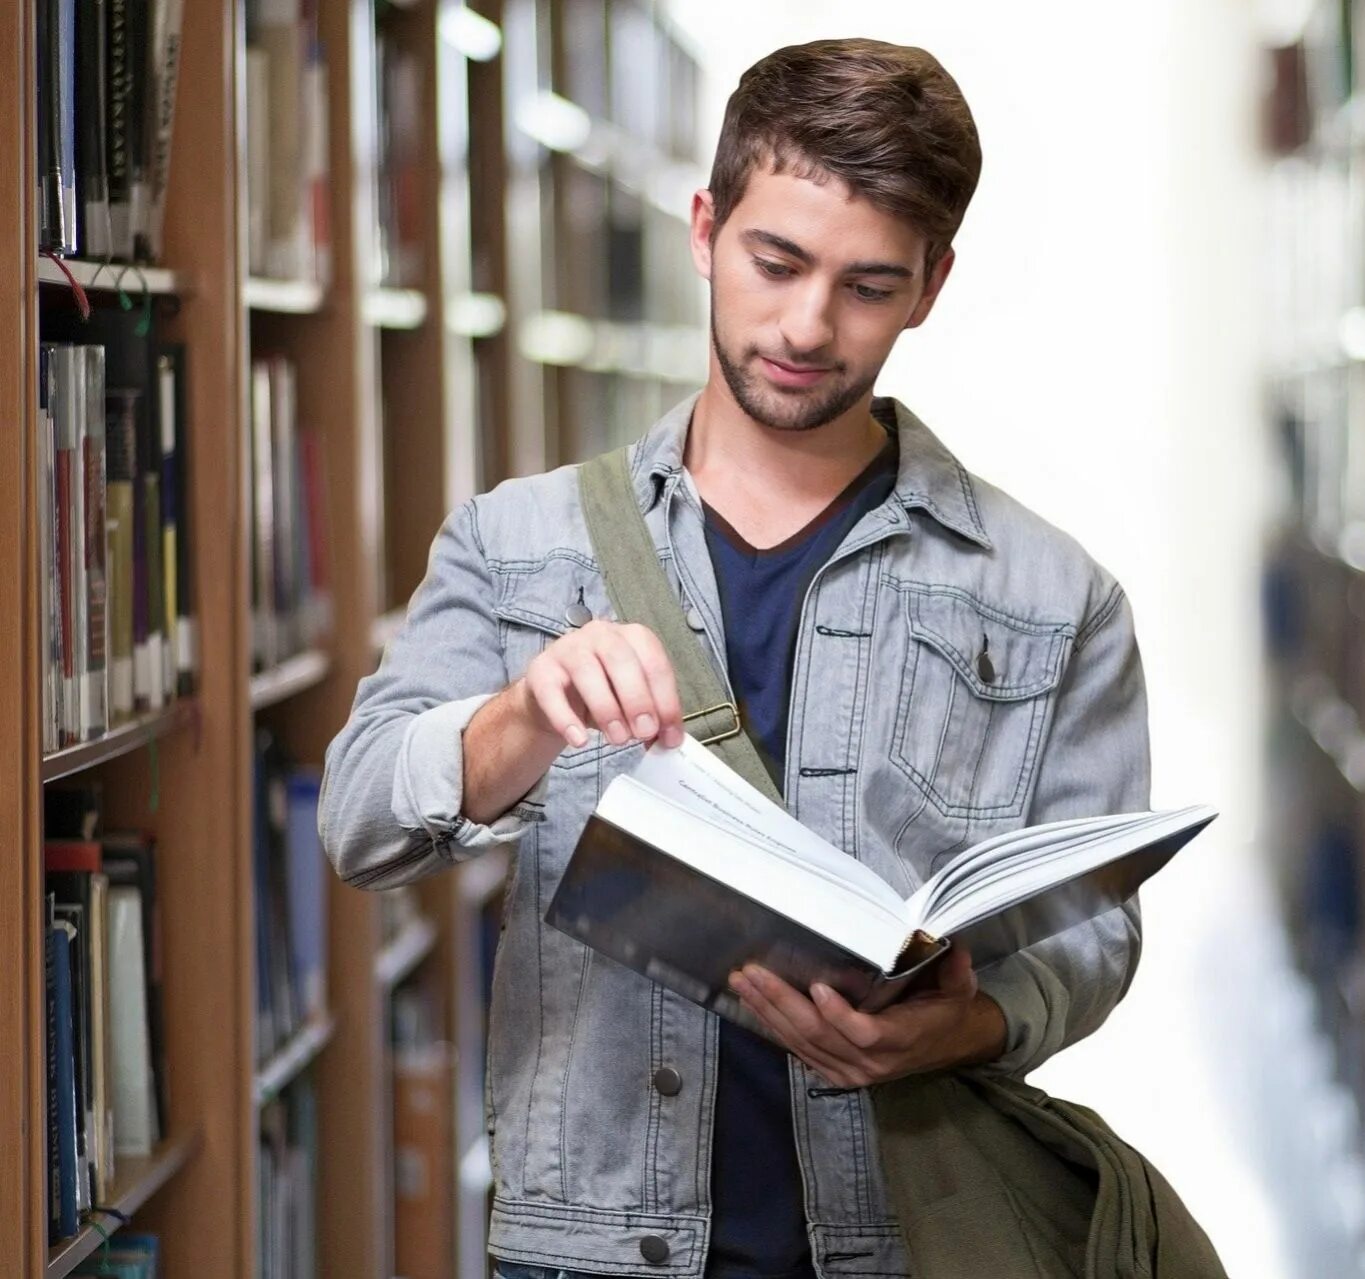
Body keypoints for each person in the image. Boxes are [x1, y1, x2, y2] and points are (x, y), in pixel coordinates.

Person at [319, 37, 1151, 1279]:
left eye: (868, 285)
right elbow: (359, 819)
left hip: (902, 1243)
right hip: (589, 1249)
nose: (808, 326)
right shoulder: (518, 544)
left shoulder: (1051, 595)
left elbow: (1094, 934)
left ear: (931, 284)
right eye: (777, 262)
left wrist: (966, 1024)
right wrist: (521, 717)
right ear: (706, 227)